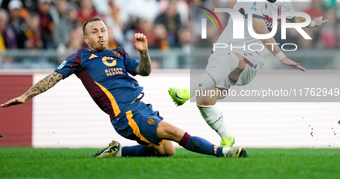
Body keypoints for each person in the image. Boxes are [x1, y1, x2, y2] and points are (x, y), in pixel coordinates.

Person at [1, 17, 246, 158]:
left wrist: (145, 53)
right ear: (86, 39)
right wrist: (25, 96)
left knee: (167, 151)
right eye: (94, 32)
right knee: (173, 131)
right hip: (124, 115)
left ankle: (117, 153)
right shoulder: (80, 58)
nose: (100, 35)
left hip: (141, 107)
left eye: (103, 30)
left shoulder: (118, 53)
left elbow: (144, 71)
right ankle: (224, 153)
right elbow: (52, 77)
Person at [168, 0, 328, 148]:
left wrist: (310, 22)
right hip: (223, 51)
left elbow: (290, 16)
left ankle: (187, 91)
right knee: (204, 100)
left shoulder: (283, 2)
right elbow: (259, 26)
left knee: (232, 59)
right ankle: (228, 139)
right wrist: (282, 56)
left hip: (252, 57)